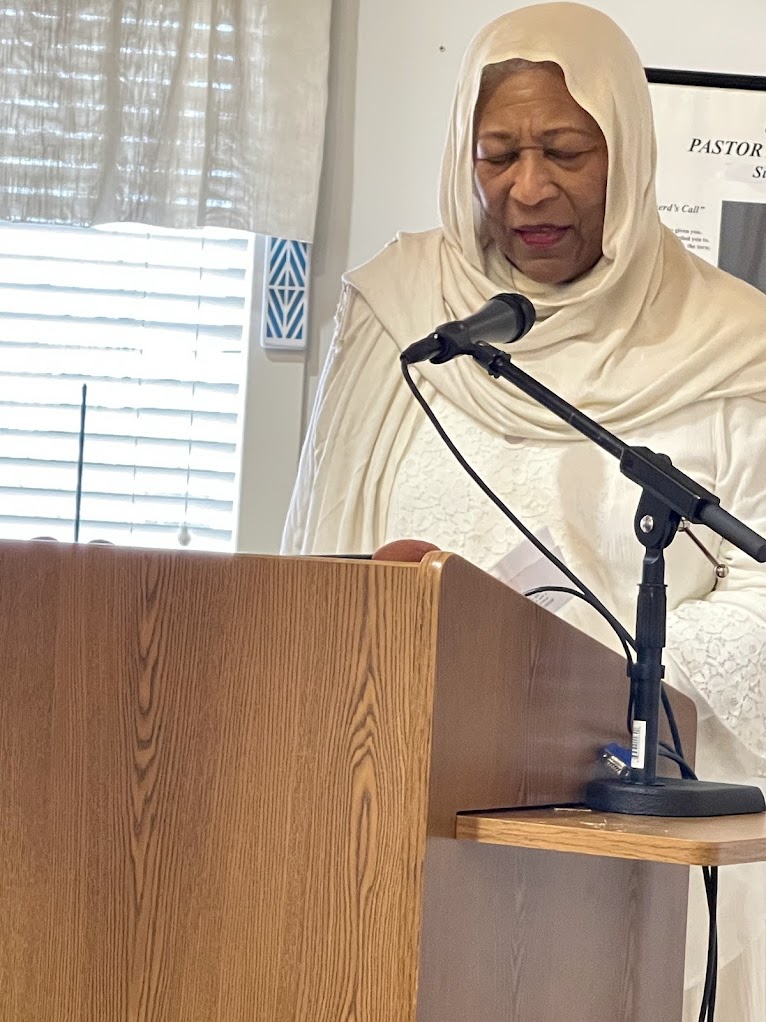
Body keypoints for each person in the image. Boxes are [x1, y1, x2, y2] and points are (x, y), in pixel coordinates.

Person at [282, 3, 766, 1017]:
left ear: (628, 151)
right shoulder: (403, 311)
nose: (529, 188)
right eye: (497, 153)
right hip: (409, 820)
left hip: (634, 836)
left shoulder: (734, 344)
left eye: (566, 152)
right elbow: (322, 557)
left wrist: (585, 670)